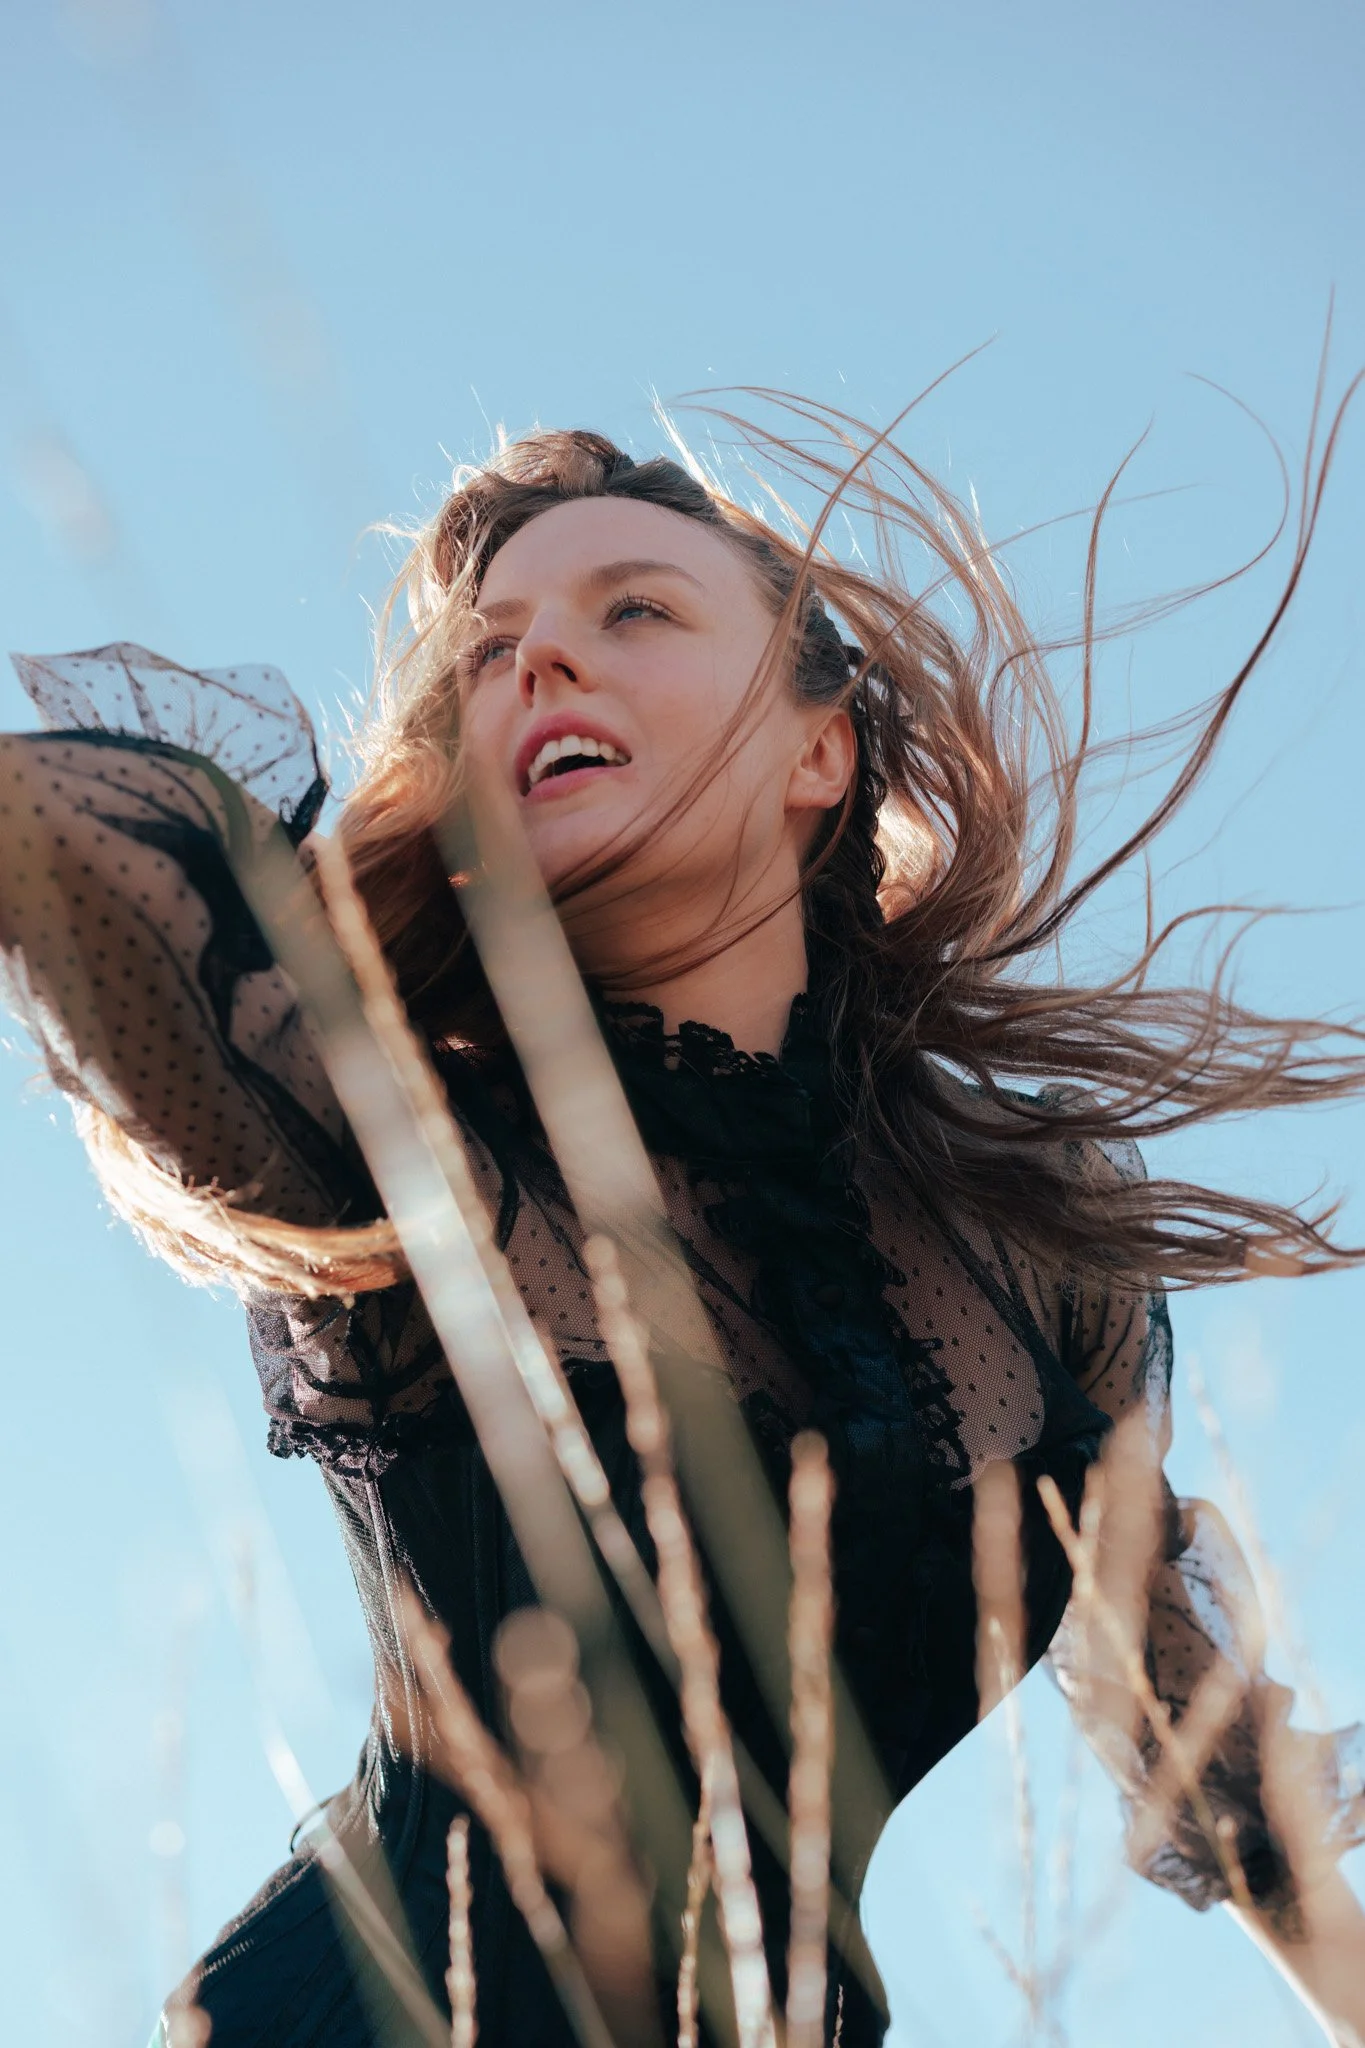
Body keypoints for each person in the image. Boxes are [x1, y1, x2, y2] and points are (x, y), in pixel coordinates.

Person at [2, 418, 1364, 2048]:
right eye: (489, 653)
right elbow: (79, 851)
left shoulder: (1034, 1262)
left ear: (820, 755)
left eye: (634, 610)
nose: (540, 660)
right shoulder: (422, 1152)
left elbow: (1203, 1744)